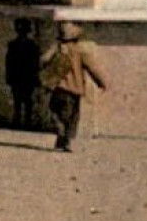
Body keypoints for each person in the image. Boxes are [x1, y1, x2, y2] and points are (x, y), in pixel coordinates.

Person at [39, 21, 107, 152]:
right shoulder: (80, 52)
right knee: (73, 117)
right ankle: (67, 141)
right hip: (75, 89)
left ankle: (60, 135)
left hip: (59, 88)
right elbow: (92, 68)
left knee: (55, 112)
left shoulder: (57, 49)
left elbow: (43, 60)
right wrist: (101, 83)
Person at [4, 18, 41, 129]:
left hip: (22, 77)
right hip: (23, 77)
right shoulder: (31, 46)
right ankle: (24, 122)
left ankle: (21, 122)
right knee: (23, 101)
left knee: (21, 101)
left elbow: (9, 62)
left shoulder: (15, 45)